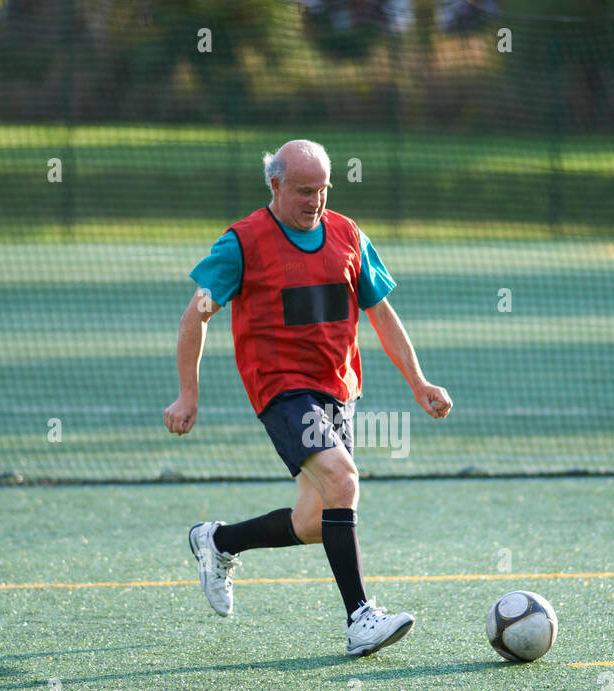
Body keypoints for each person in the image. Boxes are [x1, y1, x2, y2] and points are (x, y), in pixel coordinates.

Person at [164, 139, 452, 657]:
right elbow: (196, 315)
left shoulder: (348, 235)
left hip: (338, 390)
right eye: (303, 190)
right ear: (274, 185)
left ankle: (218, 541)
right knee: (344, 480)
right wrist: (189, 395)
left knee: (315, 521)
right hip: (282, 390)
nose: (314, 201)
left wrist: (420, 382)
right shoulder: (243, 243)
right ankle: (360, 619)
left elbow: (381, 315)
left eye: (322, 190)